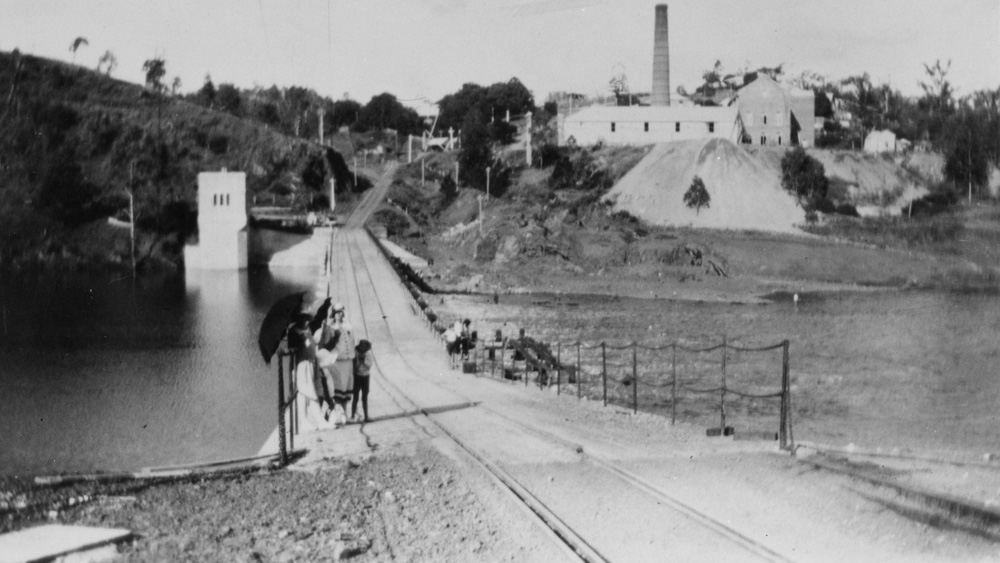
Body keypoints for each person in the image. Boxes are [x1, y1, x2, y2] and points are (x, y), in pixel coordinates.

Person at [287, 313, 333, 431]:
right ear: (299, 319)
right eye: (305, 319)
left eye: (308, 319)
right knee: (309, 391)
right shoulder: (293, 331)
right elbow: (291, 347)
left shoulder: (307, 328)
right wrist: (300, 340)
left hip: (312, 362)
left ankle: (304, 421)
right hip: (302, 364)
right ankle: (319, 421)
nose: (307, 322)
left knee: (305, 392)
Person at [351, 339, 374, 422]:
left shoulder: (368, 353)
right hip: (357, 376)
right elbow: (354, 366)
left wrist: (363, 361)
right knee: (355, 397)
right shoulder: (356, 352)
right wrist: (358, 361)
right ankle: (352, 416)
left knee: (364, 397)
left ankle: (366, 416)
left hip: (365, 376)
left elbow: (369, 365)